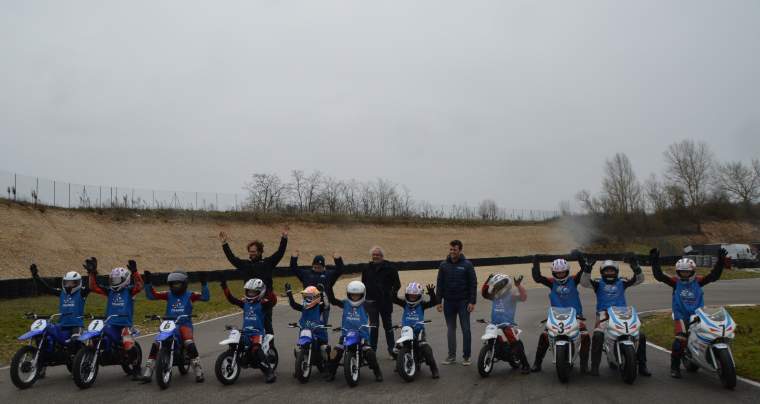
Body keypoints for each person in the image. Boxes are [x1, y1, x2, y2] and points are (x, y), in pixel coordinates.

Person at [650, 247, 728, 378]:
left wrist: (721, 261)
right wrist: (654, 261)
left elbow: (714, 276)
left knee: (711, 335)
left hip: (699, 315)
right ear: (678, 272)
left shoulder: (699, 281)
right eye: (682, 272)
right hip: (681, 316)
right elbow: (659, 276)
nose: (685, 274)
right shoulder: (675, 282)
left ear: (692, 271)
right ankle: (674, 367)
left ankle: (707, 357)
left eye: (687, 272)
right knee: (680, 339)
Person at [580, 256, 651, 377]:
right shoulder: (597, 283)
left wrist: (636, 268)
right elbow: (584, 283)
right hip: (604, 314)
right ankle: (595, 366)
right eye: (607, 270)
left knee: (641, 336)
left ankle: (642, 365)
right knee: (597, 335)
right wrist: (587, 268)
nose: (609, 272)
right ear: (602, 272)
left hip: (623, 313)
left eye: (612, 270)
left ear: (616, 271)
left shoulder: (622, 282)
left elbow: (639, 280)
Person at [141, 270, 210, 383]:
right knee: (156, 343)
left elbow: (205, 297)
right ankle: (148, 371)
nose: (175, 286)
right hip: (169, 324)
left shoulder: (190, 295)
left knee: (189, 343)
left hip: (184, 324)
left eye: (177, 284)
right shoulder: (168, 294)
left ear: (184, 284)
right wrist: (148, 282)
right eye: (173, 284)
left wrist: (204, 284)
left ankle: (198, 371)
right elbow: (151, 295)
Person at [218, 227, 288, 336]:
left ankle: (270, 349)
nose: (251, 254)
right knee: (249, 325)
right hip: (250, 300)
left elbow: (279, 253)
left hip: (265, 301)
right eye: (250, 252)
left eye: (254, 252)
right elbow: (232, 258)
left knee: (266, 325)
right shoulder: (245, 264)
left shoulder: (267, 263)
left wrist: (284, 238)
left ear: (260, 252)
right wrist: (224, 244)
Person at [530, 254, 590, 373]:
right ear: (554, 273)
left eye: (563, 272)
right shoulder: (552, 283)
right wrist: (535, 262)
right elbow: (537, 278)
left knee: (585, 336)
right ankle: (537, 363)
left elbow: (583, 271)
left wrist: (580, 258)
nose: (560, 274)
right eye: (558, 273)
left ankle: (584, 365)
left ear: (567, 271)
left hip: (576, 316)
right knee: (544, 336)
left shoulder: (574, 280)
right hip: (556, 317)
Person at [85, 259, 144, 379]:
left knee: (128, 345)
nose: (114, 282)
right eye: (113, 279)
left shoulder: (130, 290)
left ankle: (137, 369)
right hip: (110, 324)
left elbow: (140, 285)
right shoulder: (110, 291)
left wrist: (135, 272)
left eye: (117, 279)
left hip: (125, 325)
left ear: (125, 279)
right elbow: (93, 287)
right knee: (93, 337)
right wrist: (91, 273)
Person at [29, 259, 94, 362]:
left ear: (78, 283)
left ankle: (79, 361)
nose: (69, 285)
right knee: (43, 335)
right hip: (62, 325)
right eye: (67, 283)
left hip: (76, 326)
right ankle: (41, 363)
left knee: (74, 343)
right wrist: (36, 276)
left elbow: (92, 286)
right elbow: (46, 288)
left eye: (72, 283)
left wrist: (91, 273)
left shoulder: (82, 293)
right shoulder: (62, 293)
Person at [220, 276, 276, 383]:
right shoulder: (245, 303)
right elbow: (232, 300)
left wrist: (269, 290)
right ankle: (237, 361)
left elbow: (273, 301)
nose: (250, 294)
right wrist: (224, 287)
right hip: (245, 332)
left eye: (253, 292)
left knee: (256, 349)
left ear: (260, 292)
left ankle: (269, 372)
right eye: (249, 291)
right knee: (234, 346)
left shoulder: (263, 304)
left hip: (257, 333)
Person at [324, 280, 383, 382]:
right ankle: (331, 373)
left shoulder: (367, 304)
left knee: (369, 353)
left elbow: (375, 311)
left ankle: (377, 372)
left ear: (363, 294)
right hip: (346, 335)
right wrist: (328, 287)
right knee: (335, 352)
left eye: (357, 295)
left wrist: (374, 323)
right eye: (352, 295)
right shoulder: (345, 303)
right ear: (348, 294)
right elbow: (333, 300)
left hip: (362, 336)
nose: (354, 297)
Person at [436, 240, 477, 365]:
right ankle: (451, 356)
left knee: (466, 329)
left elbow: (473, 284)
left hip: (463, 302)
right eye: (451, 249)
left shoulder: (467, 265)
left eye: (455, 249)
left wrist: (472, 301)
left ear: (460, 250)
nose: (452, 252)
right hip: (448, 302)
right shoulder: (443, 265)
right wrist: (438, 302)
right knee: (450, 329)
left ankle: (466, 356)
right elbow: (440, 284)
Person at [481, 273, 530, 374]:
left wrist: (518, 286)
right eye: (495, 286)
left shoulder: (511, 296)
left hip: (507, 324)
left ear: (505, 286)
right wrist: (488, 280)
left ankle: (525, 365)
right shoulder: (494, 296)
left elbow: (523, 297)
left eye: (498, 286)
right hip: (495, 324)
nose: (496, 288)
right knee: (488, 331)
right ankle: (494, 351)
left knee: (514, 341)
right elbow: (484, 293)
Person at [392, 282, 440, 379]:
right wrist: (394, 290)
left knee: (427, 350)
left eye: (414, 296)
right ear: (407, 295)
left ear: (419, 296)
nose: (412, 298)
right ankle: (400, 363)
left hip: (419, 332)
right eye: (410, 296)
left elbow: (434, 302)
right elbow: (394, 299)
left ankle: (434, 369)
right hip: (406, 330)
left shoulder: (422, 305)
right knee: (396, 349)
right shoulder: (404, 303)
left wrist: (432, 293)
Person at [361, 246, 401, 358]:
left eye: (377, 254)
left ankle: (392, 350)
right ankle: (372, 351)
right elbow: (363, 284)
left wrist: (390, 295)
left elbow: (397, 284)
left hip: (385, 302)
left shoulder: (391, 268)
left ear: (382, 256)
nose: (375, 256)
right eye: (374, 254)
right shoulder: (366, 268)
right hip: (371, 302)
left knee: (388, 327)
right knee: (373, 327)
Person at [285, 282, 330, 373]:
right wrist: (289, 292)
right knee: (298, 349)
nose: (307, 299)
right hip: (306, 334)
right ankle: (299, 367)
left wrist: (322, 292)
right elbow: (293, 304)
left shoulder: (319, 307)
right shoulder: (304, 307)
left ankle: (329, 367)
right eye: (305, 296)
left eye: (309, 297)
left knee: (324, 349)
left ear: (316, 297)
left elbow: (326, 305)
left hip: (318, 334)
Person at [290, 251, 345, 325]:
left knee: (322, 327)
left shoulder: (329, 275)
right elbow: (294, 269)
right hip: (309, 304)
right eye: (315, 267)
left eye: (319, 267)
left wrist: (338, 259)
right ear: (312, 265)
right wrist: (294, 258)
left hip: (324, 306)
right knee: (308, 325)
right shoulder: (306, 274)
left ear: (323, 267)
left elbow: (340, 270)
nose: (317, 269)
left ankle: (323, 335)